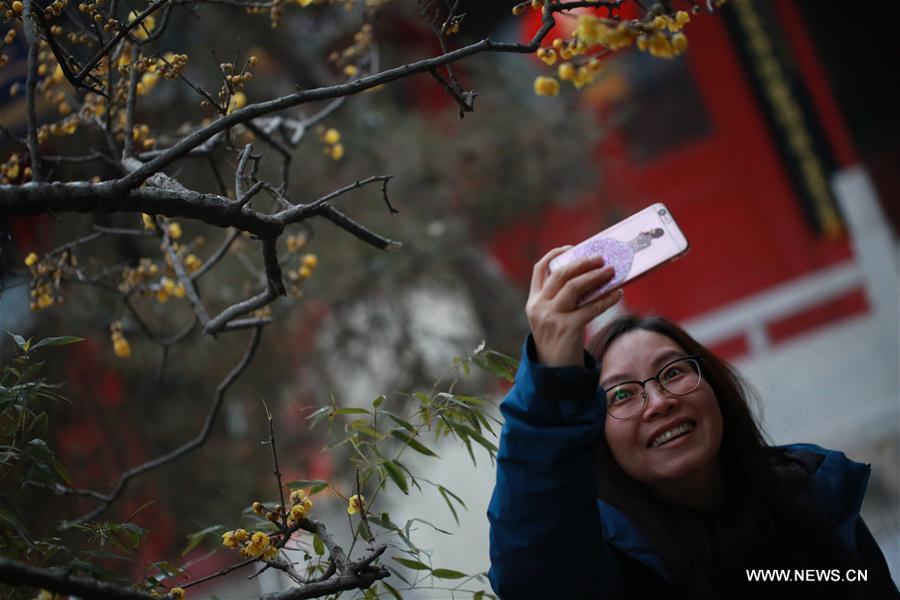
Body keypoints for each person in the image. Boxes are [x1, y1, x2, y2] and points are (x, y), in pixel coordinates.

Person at [487, 248, 897, 600]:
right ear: (598, 437)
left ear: (716, 387)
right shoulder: (608, 563)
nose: (660, 403)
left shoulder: (813, 494)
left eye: (673, 372)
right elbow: (532, 573)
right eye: (623, 395)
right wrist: (550, 382)